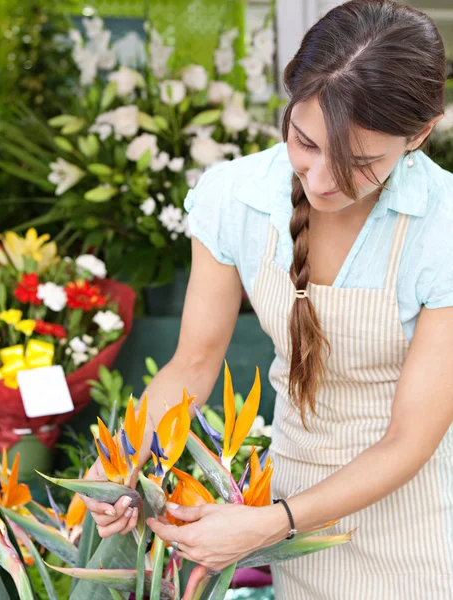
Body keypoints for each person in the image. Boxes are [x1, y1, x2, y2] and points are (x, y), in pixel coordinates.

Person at [82, 0, 453, 597]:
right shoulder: (236, 198)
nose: (323, 180)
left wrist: (270, 524)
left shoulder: (443, 226)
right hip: (290, 499)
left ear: (421, 134)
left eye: (359, 163)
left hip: (416, 519)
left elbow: (410, 439)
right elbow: (192, 366)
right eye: (305, 142)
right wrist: (121, 460)